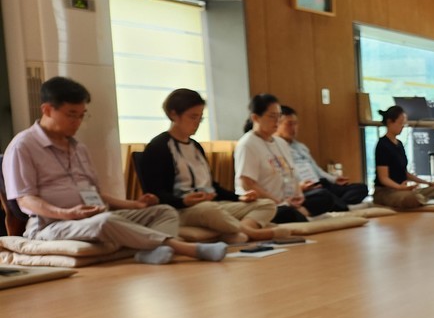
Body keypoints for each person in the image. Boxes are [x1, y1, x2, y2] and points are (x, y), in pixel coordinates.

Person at [2, 77, 227, 264]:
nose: (78, 122)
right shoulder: (23, 146)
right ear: (48, 110)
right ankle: (187, 249)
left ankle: (148, 252)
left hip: (92, 215)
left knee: (164, 210)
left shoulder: (77, 147)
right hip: (51, 225)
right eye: (72, 114)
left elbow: (96, 193)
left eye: (82, 115)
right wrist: (67, 213)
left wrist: (135, 205)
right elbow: (25, 200)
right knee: (106, 221)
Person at [139, 88, 280, 242]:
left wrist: (240, 198)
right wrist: (184, 201)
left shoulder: (195, 146)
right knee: (209, 210)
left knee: (266, 204)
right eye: (193, 117)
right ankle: (249, 231)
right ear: (173, 114)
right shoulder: (158, 147)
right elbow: (155, 193)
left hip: (213, 205)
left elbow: (213, 187)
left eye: (200, 118)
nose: (197, 123)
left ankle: (233, 230)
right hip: (181, 210)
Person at [277, 106, 368, 214]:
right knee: (324, 195)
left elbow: (317, 170)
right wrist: (301, 186)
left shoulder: (301, 147)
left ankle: (338, 205)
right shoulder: (276, 148)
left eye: (296, 124)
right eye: (289, 124)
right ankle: (344, 208)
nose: (294, 128)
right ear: (277, 124)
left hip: (320, 183)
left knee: (361, 188)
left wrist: (334, 179)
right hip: (304, 188)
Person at [233, 94, 308, 224]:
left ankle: (302, 212)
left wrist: (298, 195)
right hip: (266, 204)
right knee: (287, 213)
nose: (277, 121)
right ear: (255, 117)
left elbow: (292, 173)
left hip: (287, 200)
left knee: (323, 196)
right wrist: (278, 202)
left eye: (279, 116)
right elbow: (247, 183)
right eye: (272, 116)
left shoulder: (281, 143)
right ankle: (302, 214)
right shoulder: (247, 144)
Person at [371, 106, 434, 209]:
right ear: (390, 122)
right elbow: (383, 178)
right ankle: (419, 199)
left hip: (402, 190)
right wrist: (400, 188)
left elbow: (405, 174)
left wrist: (430, 183)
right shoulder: (382, 145)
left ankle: (421, 199)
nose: (403, 126)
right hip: (386, 192)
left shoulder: (399, 144)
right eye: (400, 123)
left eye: (403, 123)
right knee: (410, 198)